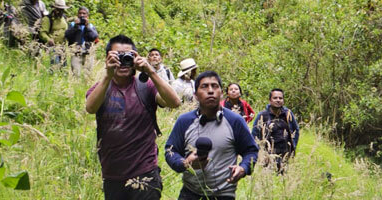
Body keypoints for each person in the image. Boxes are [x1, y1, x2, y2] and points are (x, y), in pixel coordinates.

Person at [85, 35, 181, 199]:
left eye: (128, 56)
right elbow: (91, 108)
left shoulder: (146, 86)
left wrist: (150, 70)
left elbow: (174, 102)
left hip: (145, 172)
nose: (123, 62)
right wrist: (107, 75)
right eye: (117, 56)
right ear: (108, 58)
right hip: (112, 174)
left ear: (136, 58)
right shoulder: (100, 88)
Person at [165, 71, 259, 200]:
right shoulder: (184, 121)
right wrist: (184, 163)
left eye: (215, 86)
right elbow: (171, 151)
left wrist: (243, 168)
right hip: (190, 193)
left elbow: (251, 151)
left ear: (221, 93)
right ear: (195, 95)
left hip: (223, 194)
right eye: (204, 86)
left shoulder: (235, 121)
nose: (210, 91)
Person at [251, 88, 300, 173]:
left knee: (283, 181)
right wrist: (260, 153)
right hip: (268, 156)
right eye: (275, 98)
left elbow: (296, 131)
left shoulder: (288, 114)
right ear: (270, 100)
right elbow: (254, 135)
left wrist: (293, 147)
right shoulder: (262, 115)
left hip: (285, 155)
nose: (278, 100)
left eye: (280, 98)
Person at [65, 6, 99, 76]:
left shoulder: (91, 26)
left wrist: (87, 27)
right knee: (76, 74)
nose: (82, 15)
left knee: (88, 75)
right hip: (76, 53)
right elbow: (68, 36)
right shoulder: (72, 24)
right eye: (80, 13)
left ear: (87, 16)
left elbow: (94, 37)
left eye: (84, 13)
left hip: (88, 53)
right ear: (77, 14)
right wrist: (76, 26)